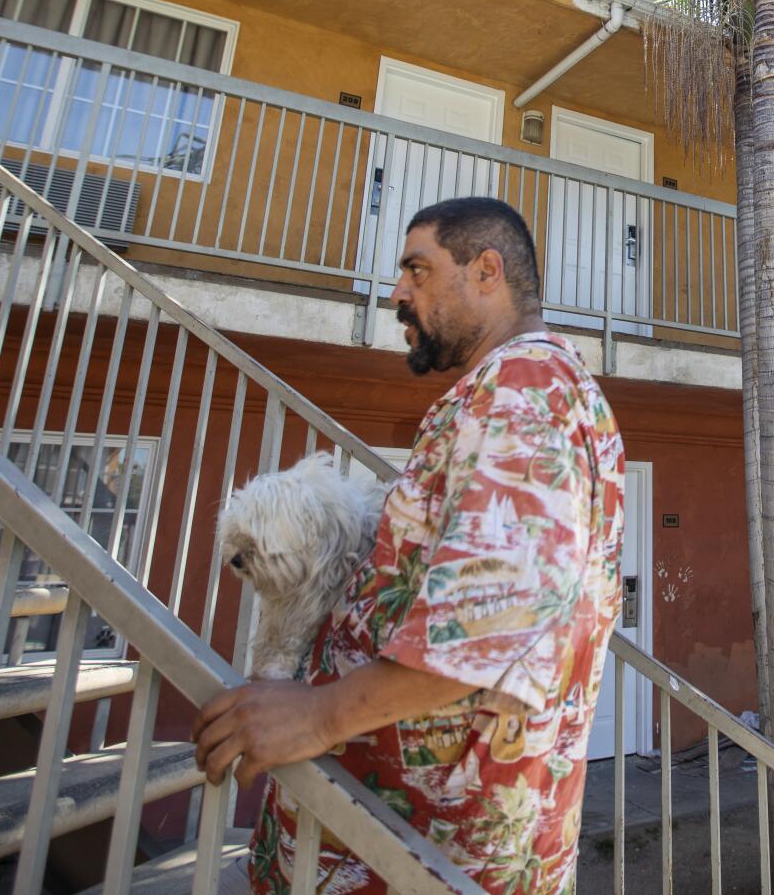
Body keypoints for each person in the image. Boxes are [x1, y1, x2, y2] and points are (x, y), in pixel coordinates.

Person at [194, 196, 626, 894]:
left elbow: (492, 623)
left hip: (417, 853)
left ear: (487, 272)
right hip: (435, 844)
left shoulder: (522, 390)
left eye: (418, 271)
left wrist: (316, 713)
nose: (397, 292)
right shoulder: (545, 394)